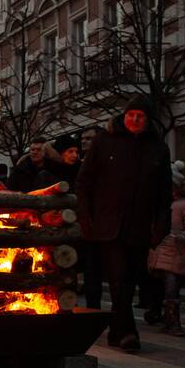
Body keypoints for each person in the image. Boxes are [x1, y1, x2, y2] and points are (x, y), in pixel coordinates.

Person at [76, 95, 172, 352]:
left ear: (148, 119)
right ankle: (129, 331)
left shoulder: (158, 149)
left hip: (139, 224)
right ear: (124, 115)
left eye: (140, 116)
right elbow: (84, 182)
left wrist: (161, 226)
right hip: (109, 224)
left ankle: (117, 330)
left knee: (130, 278)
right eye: (131, 115)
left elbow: (164, 192)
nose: (135, 120)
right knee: (118, 276)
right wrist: (86, 217)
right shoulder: (105, 142)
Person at [146, 162, 185, 336]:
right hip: (160, 249)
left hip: (176, 250)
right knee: (160, 285)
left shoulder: (183, 205)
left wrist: (184, 236)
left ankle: (173, 321)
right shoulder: (158, 203)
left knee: (171, 286)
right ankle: (163, 316)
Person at [78, 126, 105, 310]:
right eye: (83, 139)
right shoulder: (81, 163)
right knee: (90, 270)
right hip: (85, 223)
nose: (84, 142)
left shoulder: (104, 163)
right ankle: (92, 307)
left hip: (102, 221)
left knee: (95, 269)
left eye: (89, 138)